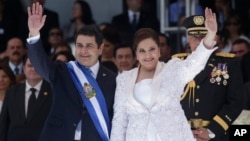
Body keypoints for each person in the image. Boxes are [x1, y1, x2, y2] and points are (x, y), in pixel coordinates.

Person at [110, 7, 218, 141]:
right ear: (136, 54)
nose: (148, 55)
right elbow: (119, 121)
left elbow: (195, 63)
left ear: (159, 51)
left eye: (152, 49)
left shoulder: (173, 69)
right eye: (142, 51)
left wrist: (210, 34)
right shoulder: (124, 79)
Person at [26, 3, 116, 141]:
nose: (83, 51)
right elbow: (39, 62)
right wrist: (34, 33)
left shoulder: (112, 79)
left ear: (100, 48)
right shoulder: (63, 71)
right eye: (79, 45)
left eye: (89, 46)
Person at [176, 14, 244, 141]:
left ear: (213, 38)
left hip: (216, 135)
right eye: (194, 37)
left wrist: (212, 131)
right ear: (188, 39)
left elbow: (236, 102)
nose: (199, 42)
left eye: (203, 37)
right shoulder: (177, 64)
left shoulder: (228, 64)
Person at [0, 56, 53, 141]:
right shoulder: (12, 91)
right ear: (24, 68)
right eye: (30, 66)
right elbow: (4, 123)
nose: (33, 69)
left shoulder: (53, 92)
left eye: (37, 66)